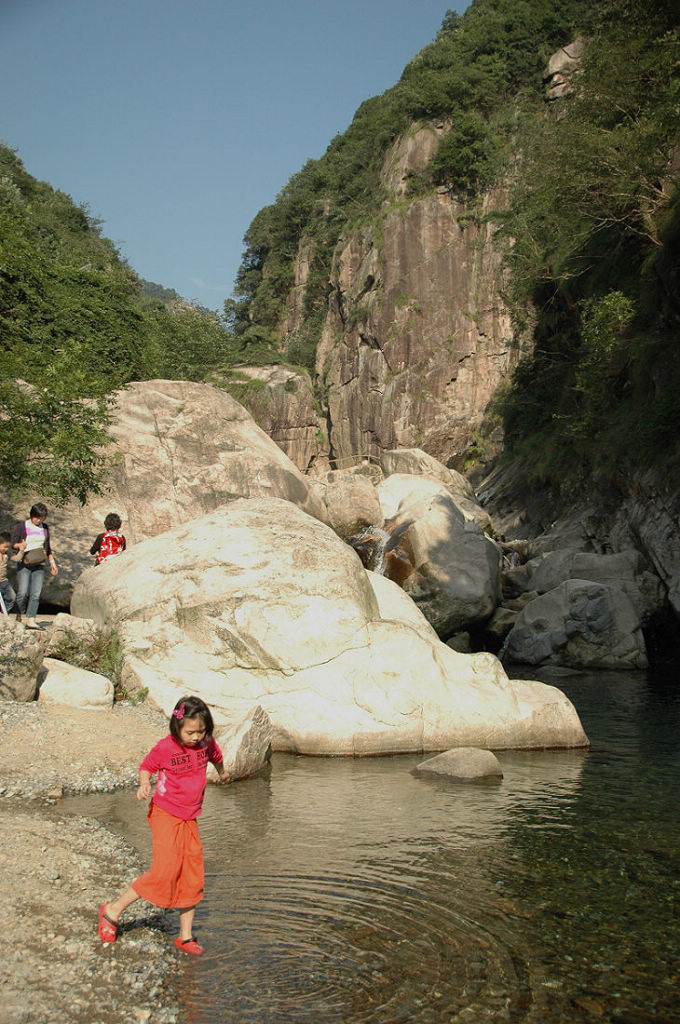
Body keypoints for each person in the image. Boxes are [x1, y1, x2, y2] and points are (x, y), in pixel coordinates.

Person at [98, 695, 228, 955]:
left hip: (189, 817)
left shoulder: (205, 744)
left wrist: (223, 772)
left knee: (192, 873)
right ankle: (112, 910)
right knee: (164, 871)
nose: (195, 737)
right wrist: (144, 782)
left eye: (201, 731)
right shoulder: (166, 748)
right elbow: (147, 766)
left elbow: (216, 756)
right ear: (176, 726)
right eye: (190, 732)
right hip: (165, 814)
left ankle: (186, 936)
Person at [11, 503, 58, 629]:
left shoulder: (45, 528)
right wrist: (19, 546)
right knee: (22, 592)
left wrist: (52, 562)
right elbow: (13, 543)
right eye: (37, 517)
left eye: (42, 517)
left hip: (39, 563)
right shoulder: (22, 526)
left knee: (36, 593)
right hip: (24, 563)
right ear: (32, 515)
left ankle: (31, 619)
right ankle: (19, 613)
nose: (39, 520)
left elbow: (47, 547)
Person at [0, 531, 22, 615]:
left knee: (12, 597)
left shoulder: (7, 554)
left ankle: (3, 614)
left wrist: (21, 550)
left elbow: (16, 558)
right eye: (4, 547)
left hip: (4, 581)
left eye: (8, 547)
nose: (6, 549)